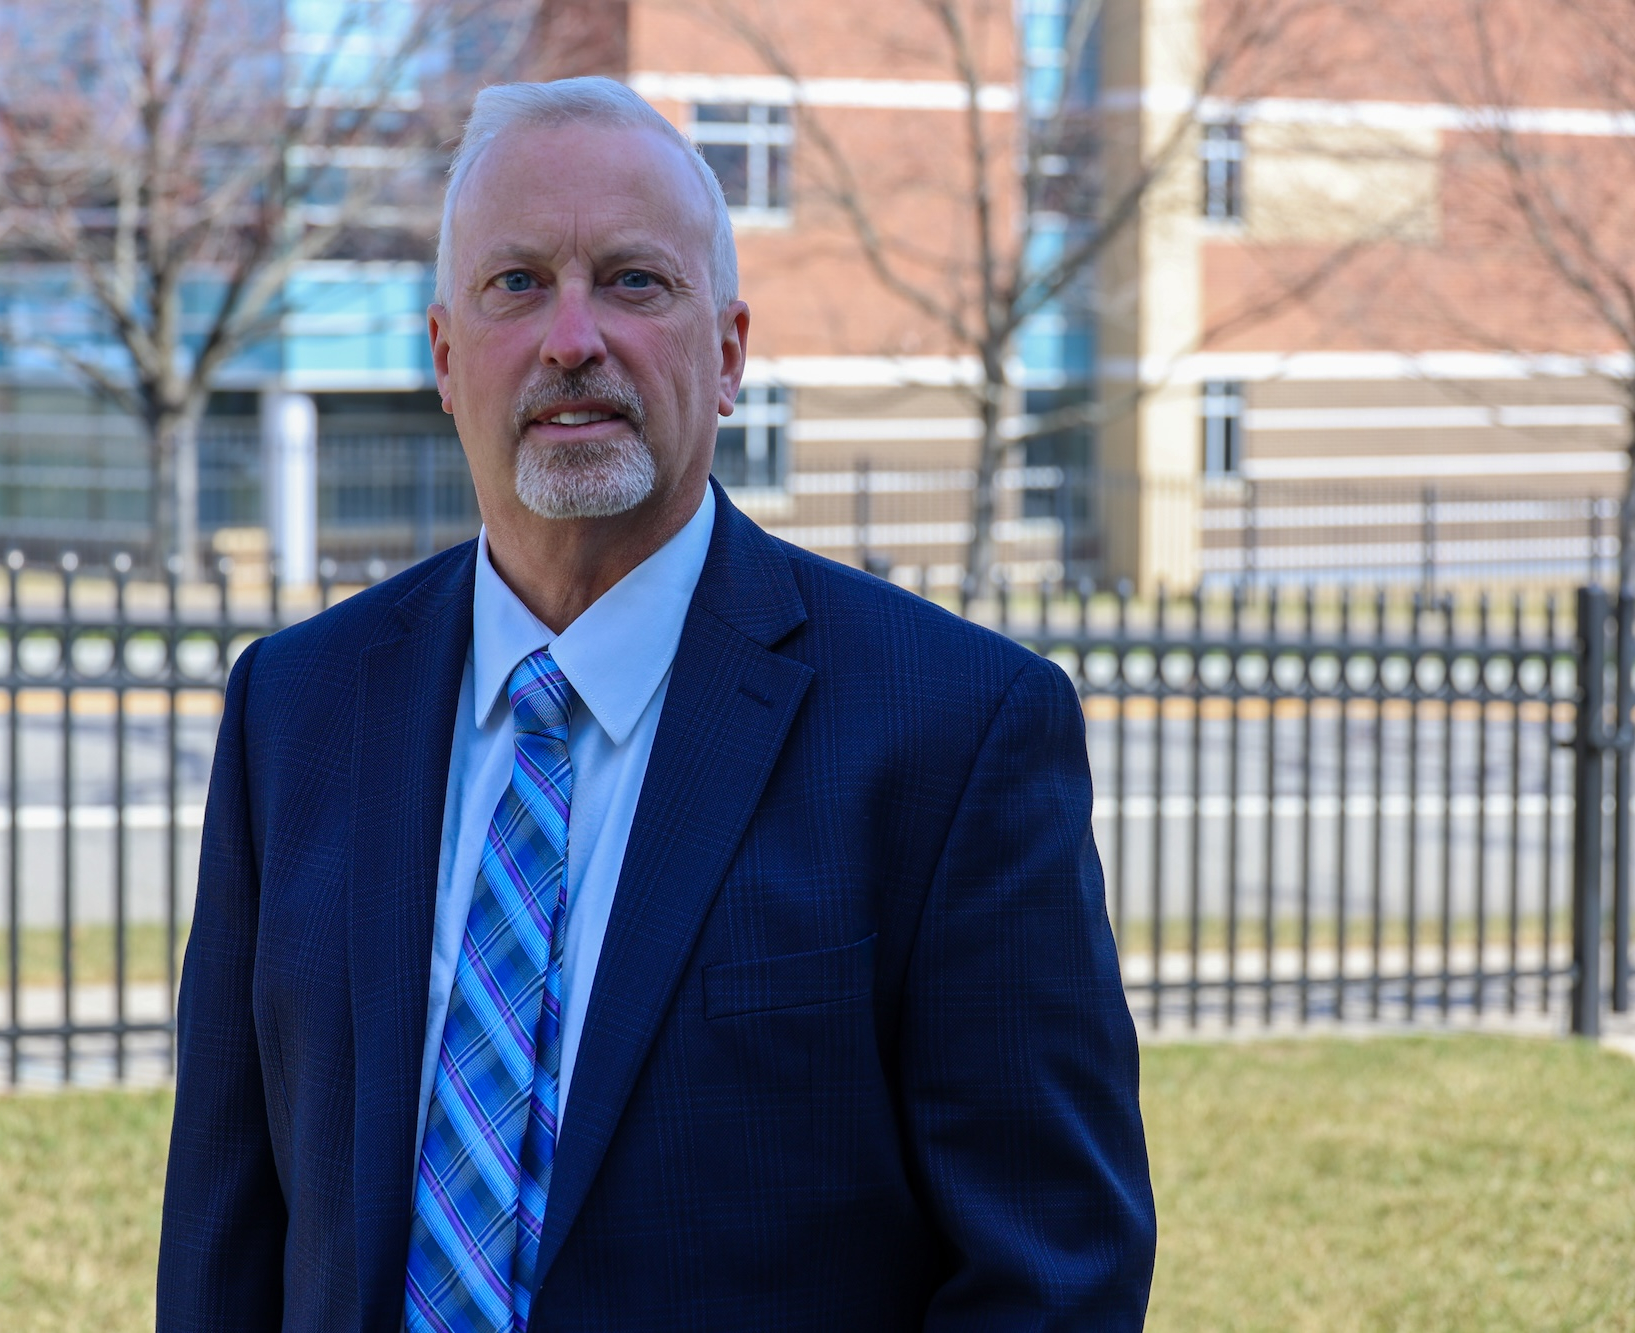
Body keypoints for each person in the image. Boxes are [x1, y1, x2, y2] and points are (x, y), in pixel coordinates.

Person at [157, 76, 1154, 1333]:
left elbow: (1051, 1279)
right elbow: (223, 1241)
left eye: (632, 281)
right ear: (447, 359)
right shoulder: (290, 712)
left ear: (728, 351)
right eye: (516, 284)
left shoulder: (953, 732)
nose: (571, 335)